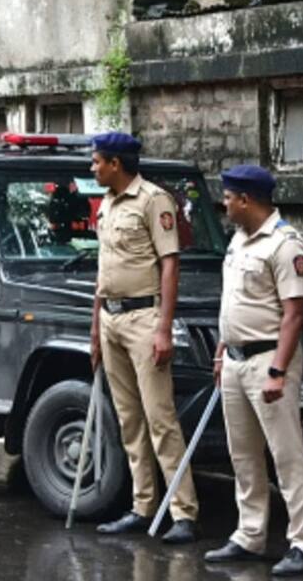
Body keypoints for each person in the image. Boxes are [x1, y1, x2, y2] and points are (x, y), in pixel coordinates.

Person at [202, 164, 303, 575]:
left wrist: (278, 369)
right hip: (236, 360)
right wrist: (222, 349)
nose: (224, 204)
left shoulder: (285, 244)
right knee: (243, 455)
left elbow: (294, 314)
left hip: (269, 359)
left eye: (228, 197)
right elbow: (231, 303)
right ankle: (250, 534)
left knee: (287, 454)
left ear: (246, 199)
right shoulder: (239, 239)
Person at [88, 131, 198, 544]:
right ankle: (142, 505)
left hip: (144, 316)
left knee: (160, 418)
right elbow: (104, 272)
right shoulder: (108, 205)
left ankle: (184, 511)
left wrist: (164, 327)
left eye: (97, 161)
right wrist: (96, 328)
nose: (93, 167)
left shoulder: (153, 200)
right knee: (129, 419)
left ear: (116, 163)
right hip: (113, 317)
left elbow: (170, 266)